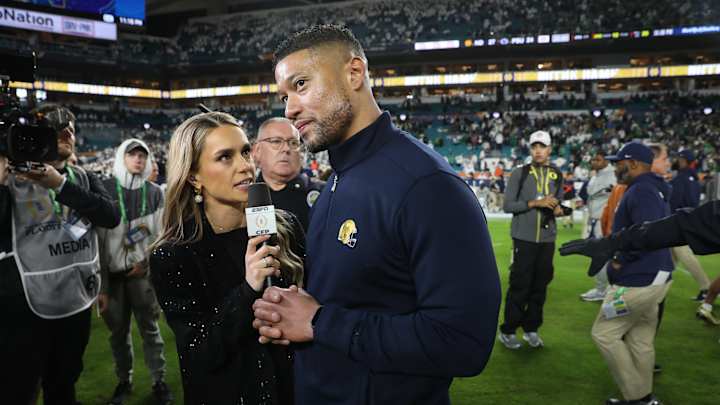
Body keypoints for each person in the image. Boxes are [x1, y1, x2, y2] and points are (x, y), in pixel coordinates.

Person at [251, 25, 501, 405]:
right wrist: (292, 312)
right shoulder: (339, 177)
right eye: (285, 96)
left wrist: (319, 322)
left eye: (301, 84)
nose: (289, 109)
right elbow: (352, 297)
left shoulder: (426, 185)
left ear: (354, 73)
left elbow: (463, 342)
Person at [149, 112, 305, 405]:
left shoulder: (285, 226)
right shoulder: (173, 255)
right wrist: (248, 289)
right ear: (194, 176)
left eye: (245, 152)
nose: (245, 165)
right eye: (225, 157)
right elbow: (199, 353)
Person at [0, 104, 120, 404]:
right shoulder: (11, 182)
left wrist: (59, 184)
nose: (68, 133)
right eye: (57, 129)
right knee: (20, 389)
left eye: (71, 130)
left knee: (64, 383)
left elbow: (111, 216)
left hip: (75, 301)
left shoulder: (83, 177)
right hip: (24, 307)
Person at [590, 142, 673, 405]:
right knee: (640, 340)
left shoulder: (642, 190)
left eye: (619, 163)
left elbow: (646, 234)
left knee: (604, 333)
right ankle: (645, 398)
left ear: (634, 163)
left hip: (639, 279)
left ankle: (637, 397)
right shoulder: (649, 187)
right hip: (654, 277)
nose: (615, 167)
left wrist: (619, 260)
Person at [96, 139, 172, 405]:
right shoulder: (105, 189)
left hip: (142, 275)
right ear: (122, 157)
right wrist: (102, 285)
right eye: (133, 154)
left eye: (143, 155)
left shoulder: (155, 193)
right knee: (118, 334)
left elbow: (163, 237)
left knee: (150, 330)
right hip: (114, 277)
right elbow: (99, 241)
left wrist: (147, 264)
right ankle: (124, 380)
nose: (138, 159)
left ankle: (159, 380)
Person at [498, 130, 564, 349]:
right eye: (534, 146)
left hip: (547, 239)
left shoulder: (557, 173)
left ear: (549, 149)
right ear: (530, 149)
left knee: (540, 286)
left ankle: (531, 329)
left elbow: (558, 202)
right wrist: (535, 203)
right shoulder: (520, 173)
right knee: (520, 285)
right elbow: (508, 205)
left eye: (542, 147)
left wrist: (559, 209)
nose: (538, 151)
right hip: (524, 239)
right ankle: (508, 330)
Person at [253, 117, 325, 231]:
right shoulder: (243, 199)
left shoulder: (325, 194)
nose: (286, 148)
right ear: (257, 150)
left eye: (293, 143)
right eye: (276, 141)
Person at [669, 150, 711, 301]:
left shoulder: (681, 178)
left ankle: (706, 287)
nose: (677, 161)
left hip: (678, 220)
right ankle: (659, 285)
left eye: (679, 159)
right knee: (670, 258)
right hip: (689, 218)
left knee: (684, 254)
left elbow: (674, 201)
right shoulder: (694, 178)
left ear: (684, 160)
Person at [580, 152, 616, 302]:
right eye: (593, 159)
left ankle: (603, 290)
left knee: (602, 255)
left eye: (598, 159)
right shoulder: (597, 175)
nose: (594, 162)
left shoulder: (612, 175)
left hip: (605, 221)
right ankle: (604, 288)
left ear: (606, 161)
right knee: (600, 255)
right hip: (596, 220)